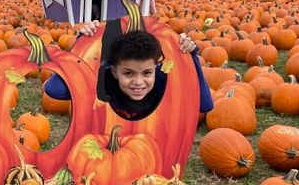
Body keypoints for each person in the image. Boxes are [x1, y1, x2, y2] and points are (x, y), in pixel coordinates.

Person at [44, 23, 213, 121]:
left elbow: (204, 104)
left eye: (147, 73)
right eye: (129, 73)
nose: (139, 82)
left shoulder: (163, 79)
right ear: (115, 71)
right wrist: (82, 46)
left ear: (156, 67)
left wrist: (192, 59)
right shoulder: (105, 81)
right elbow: (54, 89)